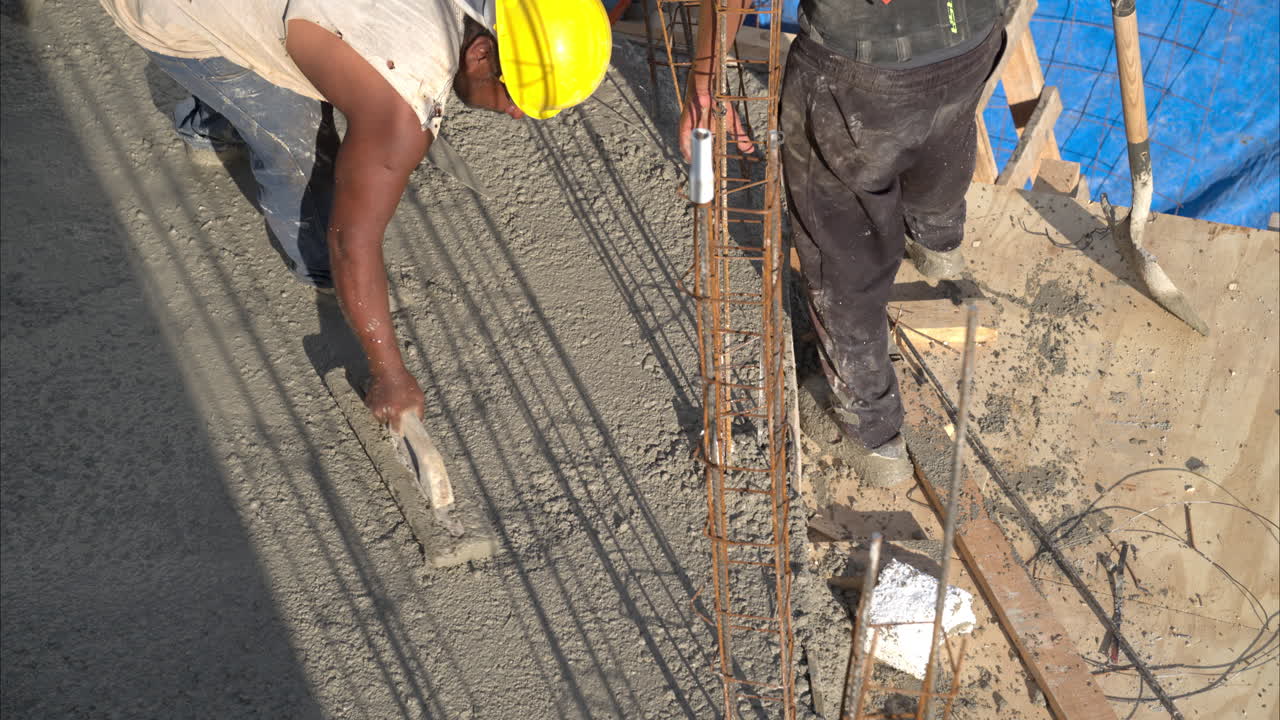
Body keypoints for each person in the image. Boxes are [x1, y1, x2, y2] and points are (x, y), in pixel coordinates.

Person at [100, 0, 612, 432]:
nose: (517, 114)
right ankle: (318, 270)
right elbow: (354, 241)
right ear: (481, 52)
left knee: (310, 54)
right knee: (301, 147)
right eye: (515, 97)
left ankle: (212, 117)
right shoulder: (402, 108)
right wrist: (389, 373)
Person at [680, 0, 1005, 486]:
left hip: (862, 69)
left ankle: (871, 434)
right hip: (976, 32)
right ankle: (938, 245)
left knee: (845, 249)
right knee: (944, 126)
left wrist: (704, 84)